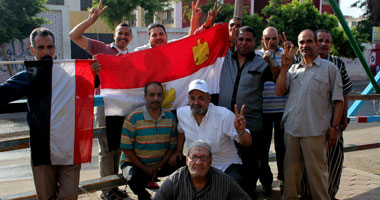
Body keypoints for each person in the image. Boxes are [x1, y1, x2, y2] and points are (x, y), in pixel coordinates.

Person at [0, 28, 81, 199]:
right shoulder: (27, 77)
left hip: (68, 146)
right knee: (46, 196)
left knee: (69, 194)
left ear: (55, 48)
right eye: (41, 47)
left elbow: (92, 82)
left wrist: (95, 70)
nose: (46, 52)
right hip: (42, 147)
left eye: (50, 47)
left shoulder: (69, 75)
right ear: (32, 49)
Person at [69, 1, 132, 199]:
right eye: (120, 33)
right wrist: (90, 20)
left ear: (130, 38)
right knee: (106, 148)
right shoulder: (102, 49)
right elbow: (74, 36)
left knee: (119, 148)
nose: (123, 37)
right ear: (114, 36)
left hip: (124, 107)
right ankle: (107, 190)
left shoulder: (132, 57)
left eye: (126, 34)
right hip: (104, 105)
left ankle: (114, 186)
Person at [276, 29, 344, 200]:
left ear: (316, 43)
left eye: (309, 41)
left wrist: (335, 128)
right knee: (290, 178)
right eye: (301, 42)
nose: (305, 45)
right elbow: (279, 90)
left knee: (318, 179)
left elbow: (339, 101)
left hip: (315, 132)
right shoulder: (292, 69)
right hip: (291, 131)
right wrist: (284, 68)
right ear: (298, 46)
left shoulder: (330, 69)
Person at [218, 26, 275, 198]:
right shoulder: (223, 59)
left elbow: (279, 81)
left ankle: (249, 195)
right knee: (226, 164)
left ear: (255, 42)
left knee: (250, 166)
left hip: (252, 125)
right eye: (241, 39)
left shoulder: (261, 63)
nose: (244, 43)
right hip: (225, 124)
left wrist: (272, 60)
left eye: (248, 40)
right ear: (235, 40)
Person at [300, 29, 354, 199]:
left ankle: (329, 194)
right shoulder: (302, 63)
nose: (323, 44)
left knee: (333, 160)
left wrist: (343, 117)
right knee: (307, 162)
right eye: (320, 40)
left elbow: (344, 93)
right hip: (309, 123)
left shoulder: (337, 64)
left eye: (327, 41)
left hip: (332, 123)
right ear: (315, 43)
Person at [173, 79, 252, 195]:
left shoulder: (223, 115)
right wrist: (178, 151)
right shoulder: (182, 113)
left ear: (209, 99)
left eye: (201, 98)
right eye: (192, 98)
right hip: (198, 166)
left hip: (225, 165)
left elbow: (247, 142)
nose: (196, 102)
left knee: (236, 187)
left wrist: (241, 131)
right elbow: (180, 131)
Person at [120, 82, 179, 200]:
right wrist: (145, 168)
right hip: (135, 164)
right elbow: (126, 149)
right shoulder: (133, 117)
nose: (155, 98)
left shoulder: (170, 117)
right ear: (145, 97)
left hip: (160, 164)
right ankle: (145, 197)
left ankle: (172, 195)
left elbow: (172, 146)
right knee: (133, 178)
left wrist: (159, 165)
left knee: (184, 165)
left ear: (163, 97)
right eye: (151, 95)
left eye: (159, 95)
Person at [153, 140, 252, 200]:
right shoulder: (175, 179)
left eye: (204, 158)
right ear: (187, 160)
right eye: (194, 157)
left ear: (210, 161)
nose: (198, 162)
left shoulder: (225, 181)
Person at [255, 26, 290, 194]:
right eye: (267, 38)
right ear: (262, 39)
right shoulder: (255, 56)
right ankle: (267, 182)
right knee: (262, 150)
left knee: (282, 149)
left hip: (282, 110)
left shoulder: (286, 55)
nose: (271, 41)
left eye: (274, 38)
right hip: (262, 111)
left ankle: (283, 180)